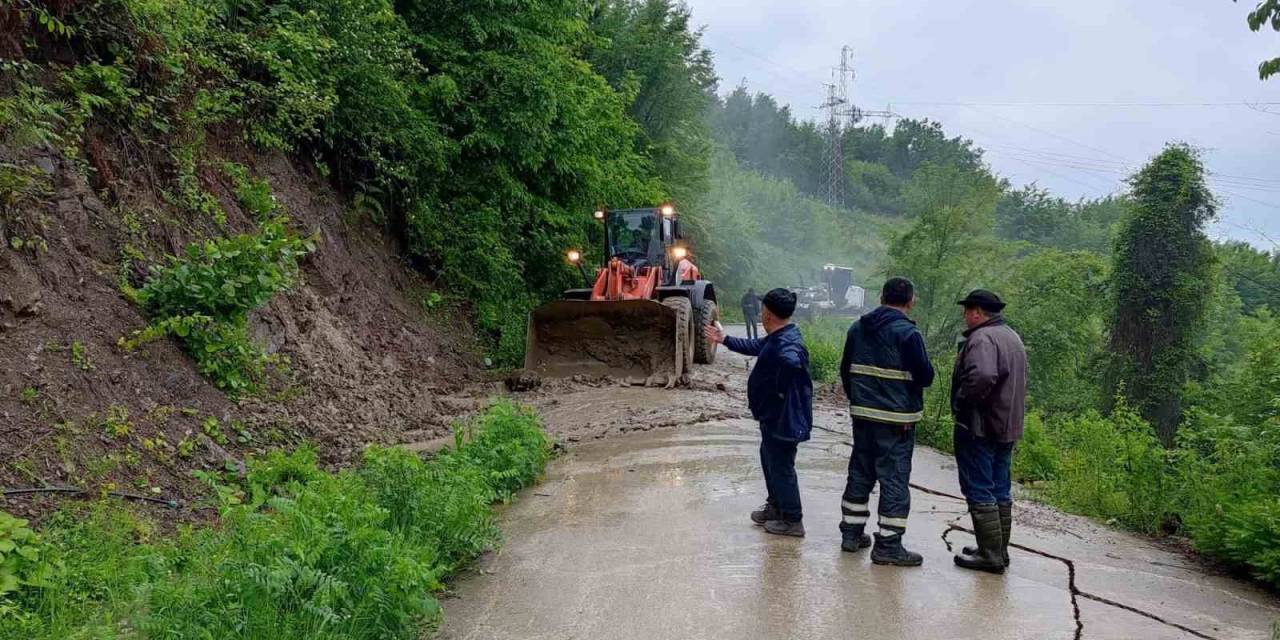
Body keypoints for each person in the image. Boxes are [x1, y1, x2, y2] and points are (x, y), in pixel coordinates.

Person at [838, 277, 934, 566]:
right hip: (897, 421)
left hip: (863, 415)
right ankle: (889, 545)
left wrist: (860, 401)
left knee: (860, 472)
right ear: (910, 300)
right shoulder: (908, 334)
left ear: (881, 297)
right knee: (893, 479)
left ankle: (851, 535)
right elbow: (925, 377)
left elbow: (846, 370)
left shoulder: (858, 328)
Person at [705, 288, 813, 537]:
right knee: (770, 460)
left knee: (782, 466)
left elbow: (790, 362)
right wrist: (726, 339)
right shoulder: (780, 336)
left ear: (766, 313)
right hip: (773, 416)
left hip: (784, 418)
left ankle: (792, 520)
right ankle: (776, 507)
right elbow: (756, 346)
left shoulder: (786, 343)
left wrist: (778, 392)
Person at [951, 290, 1027, 574]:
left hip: (980, 425)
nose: (965, 316)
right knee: (999, 488)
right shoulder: (1011, 336)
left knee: (979, 487)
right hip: (1007, 424)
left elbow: (982, 376)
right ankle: (997, 549)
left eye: (967, 310)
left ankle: (990, 555)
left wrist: (963, 400)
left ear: (979, 312)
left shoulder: (981, 338)